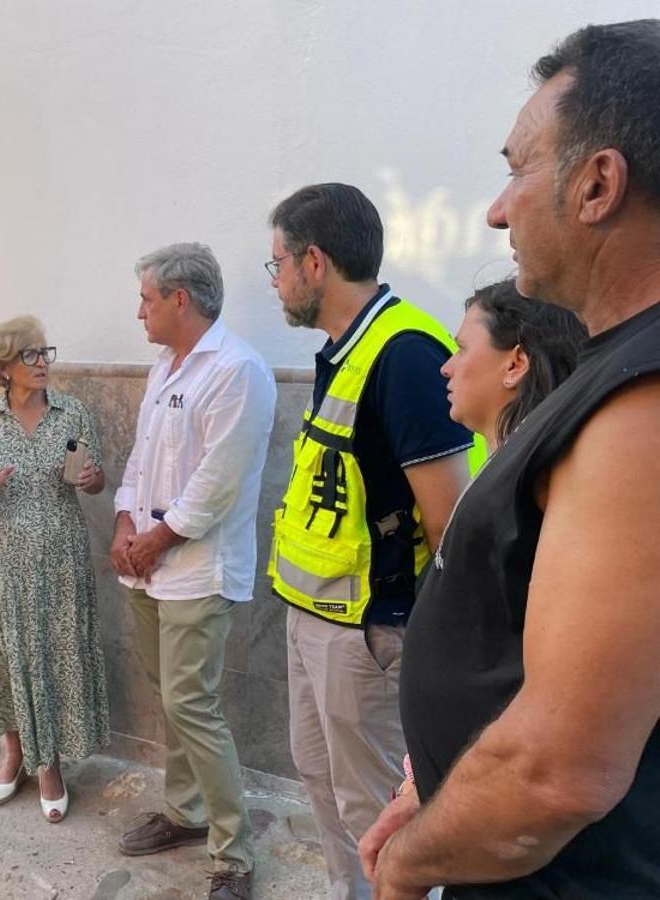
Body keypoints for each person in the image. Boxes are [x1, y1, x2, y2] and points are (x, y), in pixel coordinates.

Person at [363, 21, 660, 899]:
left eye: (516, 168)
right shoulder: (612, 369)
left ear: (598, 184)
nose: (497, 209)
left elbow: (558, 772)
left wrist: (410, 865)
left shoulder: (641, 401)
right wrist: (431, 781)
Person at [265, 183, 474, 900]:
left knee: (378, 815)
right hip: (313, 618)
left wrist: (427, 648)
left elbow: (450, 522)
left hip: (367, 638)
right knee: (326, 793)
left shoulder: (406, 353)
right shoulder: (343, 348)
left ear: (314, 263)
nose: (276, 282)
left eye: (278, 265)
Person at [111, 242, 276, 900]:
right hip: (148, 566)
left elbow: (217, 485)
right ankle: (186, 812)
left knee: (193, 705)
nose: (139, 312)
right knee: (171, 698)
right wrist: (125, 522)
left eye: (147, 298)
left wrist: (155, 540)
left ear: (181, 299)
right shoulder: (164, 367)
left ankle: (233, 852)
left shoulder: (237, 371)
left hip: (197, 571)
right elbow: (139, 460)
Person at [0, 315, 110, 824]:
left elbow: (92, 481)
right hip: (3, 559)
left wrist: (91, 479)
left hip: (62, 556)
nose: (42, 363)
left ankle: (51, 765)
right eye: (31, 355)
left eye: (46, 353)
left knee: (55, 653)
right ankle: (14, 752)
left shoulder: (72, 414)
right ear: (4, 367)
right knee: (8, 658)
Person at [440, 278, 585, 452]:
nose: (445, 369)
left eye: (462, 349)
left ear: (515, 366)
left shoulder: (533, 474)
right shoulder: (553, 462)